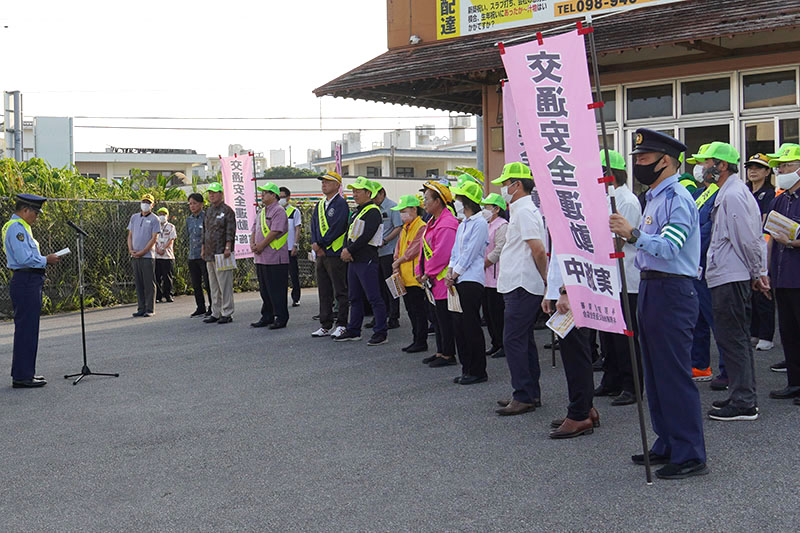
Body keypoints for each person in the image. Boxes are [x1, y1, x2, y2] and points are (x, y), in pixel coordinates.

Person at [609, 128, 708, 480]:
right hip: (653, 289)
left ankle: (690, 452)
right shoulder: (655, 196)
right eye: (636, 158)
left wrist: (633, 233)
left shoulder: (678, 198)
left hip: (673, 291)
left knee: (673, 374)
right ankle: (667, 441)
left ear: (665, 161)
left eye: (644, 158)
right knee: (653, 371)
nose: (638, 163)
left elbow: (669, 248)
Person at [694, 142, 769, 422]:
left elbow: (749, 240)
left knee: (734, 339)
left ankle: (744, 401)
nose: (702, 167)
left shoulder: (734, 194)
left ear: (722, 165)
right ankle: (741, 394)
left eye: (706, 162)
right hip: (726, 275)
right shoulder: (728, 192)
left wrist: (757, 273)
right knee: (730, 338)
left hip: (731, 276)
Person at [491, 163, 548, 416]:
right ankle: (529, 393)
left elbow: (538, 249)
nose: (503, 188)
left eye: (506, 183)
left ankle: (523, 395)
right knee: (523, 340)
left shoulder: (524, 212)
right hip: (518, 283)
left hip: (523, 284)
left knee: (513, 339)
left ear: (517, 185)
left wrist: (547, 281)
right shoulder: (521, 210)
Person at [595, 150, 643, 407]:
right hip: (608, 276)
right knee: (608, 334)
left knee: (626, 336)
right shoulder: (605, 199)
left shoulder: (626, 200)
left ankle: (632, 385)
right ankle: (611, 378)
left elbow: (619, 240)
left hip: (626, 277)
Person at [3, 194, 60, 388]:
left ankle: (26, 372)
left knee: (29, 328)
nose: (36, 217)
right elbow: (23, 258)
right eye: (35, 212)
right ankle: (22, 376)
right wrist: (46, 260)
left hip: (29, 279)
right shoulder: (16, 229)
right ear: (25, 210)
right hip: (25, 279)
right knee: (26, 329)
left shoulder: (22, 227)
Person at [542, 255, 598, 438]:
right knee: (575, 353)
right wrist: (550, 291)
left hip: (573, 291)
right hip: (565, 290)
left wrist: (566, 291)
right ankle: (585, 408)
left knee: (576, 355)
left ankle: (579, 414)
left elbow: (577, 252)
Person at [688, 145, 727, 389]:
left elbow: (707, 230)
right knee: (697, 318)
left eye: (705, 162)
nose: (700, 168)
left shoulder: (721, 193)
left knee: (719, 320)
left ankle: (727, 370)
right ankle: (700, 364)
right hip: (695, 266)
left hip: (710, 264)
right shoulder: (699, 193)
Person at [765, 145, 800, 403]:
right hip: (782, 275)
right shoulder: (780, 199)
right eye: (779, 166)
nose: (781, 171)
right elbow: (770, 238)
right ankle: (794, 383)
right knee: (787, 331)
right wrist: (765, 272)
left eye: (785, 166)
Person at [335, 177, 388, 346]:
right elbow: (348, 232)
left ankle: (381, 332)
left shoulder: (373, 211)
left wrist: (349, 250)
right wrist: (345, 249)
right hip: (354, 260)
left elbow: (367, 235)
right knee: (354, 297)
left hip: (367, 260)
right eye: (353, 191)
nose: (355, 194)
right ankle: (354, 330)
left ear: (368, 193)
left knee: (374, 297)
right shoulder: (357, 211)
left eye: (358, 191)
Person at [446, 180, 489, 385]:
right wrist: (450, 271)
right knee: (459, 325)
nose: (456, 201)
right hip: (458, 278)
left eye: (459, 198)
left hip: (471, 279)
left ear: (467, 201)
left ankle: (478, 370)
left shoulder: (480, 223)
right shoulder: (463, 223)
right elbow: (456, 252)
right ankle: (466, 367)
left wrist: (456, 273)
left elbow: (471, 252)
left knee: (470, 325)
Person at [416, 180, 459, 368]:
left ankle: (448, 354)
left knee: (444, 318)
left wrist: (427, 272)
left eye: (427, 199)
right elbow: (424, 249)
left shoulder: (447, 223)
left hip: (442, 280)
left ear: (438, 201)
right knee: (436, 316)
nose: (424, 203)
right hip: (432, 280)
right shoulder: (432, 221)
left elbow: (443, 253)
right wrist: (420, 270)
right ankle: (440, 350)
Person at [309, 171, 350, 339]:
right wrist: (314, 243)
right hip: (321, 254)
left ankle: (341, 324)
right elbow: (313, 225)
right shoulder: (320, 204)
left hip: (334, 253)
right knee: (324, 290)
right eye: (323, 182)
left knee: (340, 290)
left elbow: (338, 227)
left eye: (327, 181)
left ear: (337, 185)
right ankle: (325, 324)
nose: (324, 184)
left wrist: (321, 244)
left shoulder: (341, 204)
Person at [745, 154, 777, 352]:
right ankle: (754, 331)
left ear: (767, 172)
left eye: (758, 167)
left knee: (764, 291)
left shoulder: (769, 194)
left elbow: (765, 223)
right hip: (747, 243)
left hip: (762, 243)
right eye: (750, 167)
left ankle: (766, 335)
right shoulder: (745, 191)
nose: (753, 171)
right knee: (751, 292)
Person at [250, 182, 290, 329]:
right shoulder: (261, 212)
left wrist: (261, 245)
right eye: (262, 192)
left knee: (277, 290)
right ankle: (267, 316)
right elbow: (254, 228)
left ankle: (280, 317)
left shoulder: (279, 211)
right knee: (265, 289)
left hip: (275, 258)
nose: (262, 195)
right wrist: (253, 244)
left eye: (265, 192)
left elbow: (275, 231)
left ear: (274, 195)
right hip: (261, 258)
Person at [392, 195, 428, 353]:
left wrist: (398, 261)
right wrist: (396, 264)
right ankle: (416, 339)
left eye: (404, 211)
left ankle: (421, 341)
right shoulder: (405, 227)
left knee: (419, 311)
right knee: (411, 311)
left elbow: (413, 250)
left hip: (416, 278)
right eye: (400, 211)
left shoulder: (421, 226)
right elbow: (398, 248)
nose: (402, 214)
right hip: (404, 277)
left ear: (414, 209)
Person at [202, 182, 236, 324]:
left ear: (221, 194)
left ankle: (227, 312)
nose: (211, 195)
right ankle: (215, 312)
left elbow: (230, 230)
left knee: (225, 284)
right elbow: (205, 231)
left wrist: (228, 247)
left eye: (214, 192)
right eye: (210, 193)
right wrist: (203, 248)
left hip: (222, 252)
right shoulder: (209, 211)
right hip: (210, 253)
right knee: (213, 285)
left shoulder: (227, 211)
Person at [480, 193, 508, 359]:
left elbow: (499, 249)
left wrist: (484, 263)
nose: (485, 210)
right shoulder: (487, 224)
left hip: (496, 275)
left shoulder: (502, 225)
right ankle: (495, 343)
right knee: (488, 313)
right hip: (484, 277)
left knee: (498, 313)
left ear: (497, 209)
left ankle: (503, 344)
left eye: (487, 207)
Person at [374, 185, 403, 329]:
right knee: (378, 286)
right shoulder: (373, 208)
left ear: (382, 193)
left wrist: (385, 240)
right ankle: (381, 315)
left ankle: (394, 317)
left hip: (389, 251)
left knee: (391, 285)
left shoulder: (393, 207)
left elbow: (398, 227)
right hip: (375, 253)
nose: (374, 199)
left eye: (376, 196)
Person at [127, 193, 160, 318]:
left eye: (148, 202)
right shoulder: (134, 217)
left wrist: (143, 251)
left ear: (152, 205)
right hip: (135, 256)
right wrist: (131, 250)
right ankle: (141, 308)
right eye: (143, 202)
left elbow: (153, 239)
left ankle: (150, 308)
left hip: (147, 256)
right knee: (139, 282)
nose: (145, 204)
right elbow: (130, 235)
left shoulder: (154, 219)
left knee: (148, 282)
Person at [186, 192, 211, 317]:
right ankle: (200, 307)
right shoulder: (189, 219)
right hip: (192, 255)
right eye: (190, 204)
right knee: (196, 284)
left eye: (195, 203)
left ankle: (212, 307)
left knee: (208, 282)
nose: (192, 206)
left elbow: (209, 236)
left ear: (201, 204)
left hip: (204, 256)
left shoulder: (206, 217)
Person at [279, 186, 302, 308]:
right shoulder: (275, 212)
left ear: (288, 198)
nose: (280, 199)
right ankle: (281, 299)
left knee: (293, 274)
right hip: (279, 249)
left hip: (290, 248)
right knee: (280, 276)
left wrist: (295, 245)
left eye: (283, 197)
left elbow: (297, 229)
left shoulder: (294, 212)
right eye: (279, 197)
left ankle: (296, 298)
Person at [154, 207, 177, 304]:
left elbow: (171, 240)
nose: (162, 216)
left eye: (164, 214)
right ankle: (158, 296)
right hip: (156, 255)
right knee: (156, 277)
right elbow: (153, 239)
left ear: (167, 216)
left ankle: (168, 295)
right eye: (160, 214)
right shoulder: (155, 226)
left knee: (167, 277)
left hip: (167, 256)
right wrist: (157, 249)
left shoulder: (171, 227)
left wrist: (163, 249)